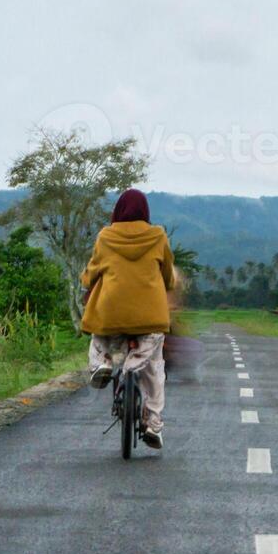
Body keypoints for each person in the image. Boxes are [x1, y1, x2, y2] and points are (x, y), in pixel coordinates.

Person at [80, 188, 176, 450]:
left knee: (99, 334)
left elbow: (92, 271)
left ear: (118, 211)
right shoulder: (158, 236)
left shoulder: (106, 236)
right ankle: (153, 424)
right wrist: (167, 284)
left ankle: (101, 364)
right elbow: (168, 274)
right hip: (151, 319)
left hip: (113, 315)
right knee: (155, 367)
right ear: (145, 212)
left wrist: (86, 281)